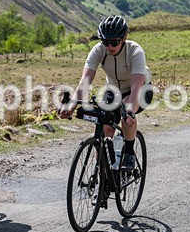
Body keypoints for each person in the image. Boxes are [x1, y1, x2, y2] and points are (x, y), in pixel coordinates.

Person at [59, 15, 152, 171]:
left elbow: (136, 86)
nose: (109, 46)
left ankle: (129, 152)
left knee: (127, 110)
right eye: (105, 41)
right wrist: (71, 105)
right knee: (106, 125)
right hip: (114, 89)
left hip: (140, 89)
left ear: (124, 38)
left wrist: (130, 111)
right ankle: (102, 170)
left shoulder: (135, 51)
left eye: (114, 42)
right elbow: (85, 81)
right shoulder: (98, 50)